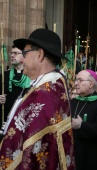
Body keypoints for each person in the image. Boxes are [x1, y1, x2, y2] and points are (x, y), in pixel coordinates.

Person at [0, 28, 74, 169]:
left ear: (40, 55)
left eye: (25, 53)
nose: (22, 58)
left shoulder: (44, 94)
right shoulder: (51, 87)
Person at [71, 69, 97, 170]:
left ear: (91, 84)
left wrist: (82, 125)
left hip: (91, 157)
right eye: (76, 80)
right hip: (72, 155)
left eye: (80, 80)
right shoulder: (72, 102)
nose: (76, 83)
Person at [0, 45, 30, 130]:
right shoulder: (3, 76)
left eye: (16, 53)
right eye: (11, 53)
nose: (12, 55)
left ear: (23, 55)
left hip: (23, 124)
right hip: (4, 123)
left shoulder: (30, 76)